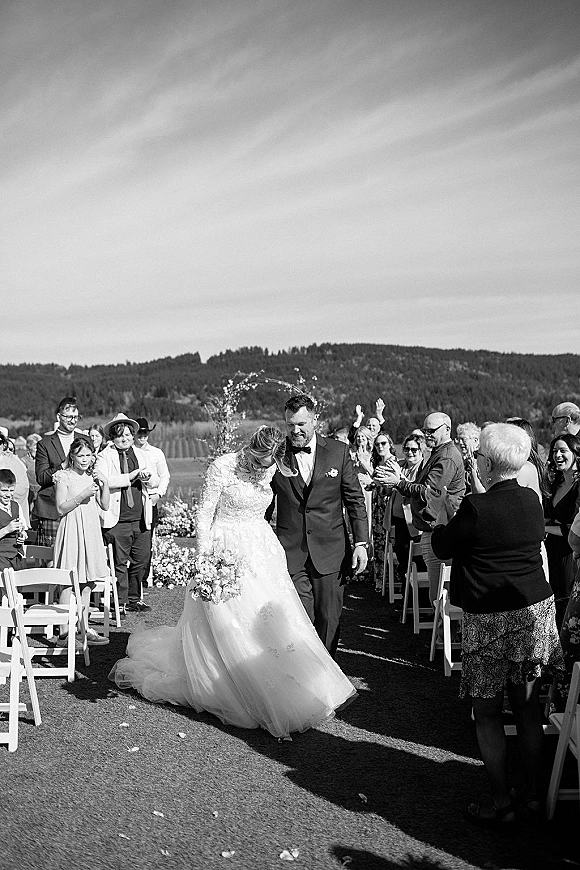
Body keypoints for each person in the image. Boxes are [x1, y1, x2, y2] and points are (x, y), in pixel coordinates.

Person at [109, 426, 357, 738]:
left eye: (272, 463)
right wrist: (203, 560)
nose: (267, 468)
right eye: (264, 461)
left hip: (262, 549)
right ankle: (231, 685)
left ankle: (289, 683)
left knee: (270, 619)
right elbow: (203, 515)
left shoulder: (272, 467)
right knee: (227, 620)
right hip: (225, 546)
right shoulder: (223, 466)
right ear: (253, 451)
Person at [429, 423, 564, 827]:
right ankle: (534, 797)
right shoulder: (530, 501)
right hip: (532, 611)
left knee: (487, 714)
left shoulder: (474, 507)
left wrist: (444, 516)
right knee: (526, 709)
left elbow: (442, 546)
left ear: (486, 461)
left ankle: (501, 801)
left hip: (489, 617)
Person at [267, 395, 368, 657]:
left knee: (328, 618)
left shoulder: (338, 451)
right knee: (299, 617)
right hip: (291, 553)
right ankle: (302, 672)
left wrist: (360, 544)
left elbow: (355, 500)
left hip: (332, 551)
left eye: (301, 424)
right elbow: (264, 502)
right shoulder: (276, 456)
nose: (295, 430)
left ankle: (326, 677)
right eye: (290, 425)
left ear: (315, 420)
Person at [380, 412, 465, 603]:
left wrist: (399, 483)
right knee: (439, 595)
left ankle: (443, 632)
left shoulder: (447, 458)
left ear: (447, 429)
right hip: (435, 528)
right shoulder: (439, 453)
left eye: (431, 431)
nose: (427, 435)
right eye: (425, 430)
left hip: (439, 530)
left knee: (439, 597)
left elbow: (429, 491)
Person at [95, 414, 160, 615]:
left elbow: (156, 480)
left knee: (141, 559)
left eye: (128, 435)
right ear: (113, 438)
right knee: (119, 563)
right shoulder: (104, 456)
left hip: (140, 518)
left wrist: (148, 478)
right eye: (120, 436)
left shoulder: (142, 455)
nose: (125, 439)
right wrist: (130, 477)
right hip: (117, 519)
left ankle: (134, 598)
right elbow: (104, 480)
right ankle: (120, 602)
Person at [53, 438, 110, 647]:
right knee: (68, 583)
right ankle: (64, 634)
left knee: (88, 584)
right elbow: (60, 508)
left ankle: (83, 629)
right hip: (71, 530)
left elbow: (104, 505)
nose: (85, 460)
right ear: (72, 456)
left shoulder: (92, 477)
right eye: (81, 455)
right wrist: (83, 494)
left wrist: (105, 483)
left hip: (91, 530)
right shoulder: (63, 476)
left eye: (88, 455)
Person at [34, 396, 88, 546]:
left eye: (76, 417)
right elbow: (41, 478)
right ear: (59, 416)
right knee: (52, 561)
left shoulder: (85, 440)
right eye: (69, 416)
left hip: (80, 508)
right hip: (52, 510)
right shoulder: (44, 444)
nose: (72, 421)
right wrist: (63, 465)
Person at [544, 433, 580, 620]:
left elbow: (571, 527)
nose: (557, 455)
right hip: (553, 552)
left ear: (576, 453)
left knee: (566, 606)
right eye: (554, 451)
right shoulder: (556, 482)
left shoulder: (578, 486)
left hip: (570, 555)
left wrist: (543, 529)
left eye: (563, 451)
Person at [385, 434, 425, 587]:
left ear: (421, 451)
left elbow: (415, 490)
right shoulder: (400, 464)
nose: (410, 452)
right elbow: (389, 490)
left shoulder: (422, 468)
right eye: (406, 449)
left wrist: (399, 478)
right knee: (402, 560)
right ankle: (405, 598)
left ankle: (416, 600)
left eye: (414, 449)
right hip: (398, 521)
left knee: (416, 561)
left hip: (414, 522)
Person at [0, 433, 30, 528]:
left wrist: (5, 491)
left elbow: (23, 488)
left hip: (10, 517)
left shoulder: (14, 463)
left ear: (3, 445)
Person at [0, 469, 27, 572]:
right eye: (4, 491)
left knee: (19, 586)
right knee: (6, 587)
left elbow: (22, 529)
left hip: (17, 557)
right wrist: (6, 529)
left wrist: (22, 535)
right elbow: (8, 529)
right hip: (1, 557)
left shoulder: (16, 506)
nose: (8, 495)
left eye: (11, 491)